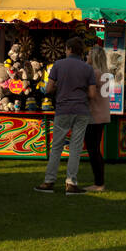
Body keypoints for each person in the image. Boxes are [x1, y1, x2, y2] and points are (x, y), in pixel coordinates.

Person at [35, 37, 97, 195]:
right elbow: (92, 93)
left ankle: (49, 181)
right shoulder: (87, 69)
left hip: (63, 109)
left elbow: (48, 89)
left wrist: (59, 86)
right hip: (81, 110)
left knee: (56, 146)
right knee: (75, 148)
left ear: (68, 49)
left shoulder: (58, 65)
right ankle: (71, 183)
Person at [82, 45, 111, 192]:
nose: (86, 57)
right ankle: (99, 182)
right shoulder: (105, 73)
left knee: (93, 150)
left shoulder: (94, 73)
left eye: (88, 55)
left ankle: (99, 183)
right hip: (103, 113)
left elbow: (90, 93)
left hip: (95, 114)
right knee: (95, 149)